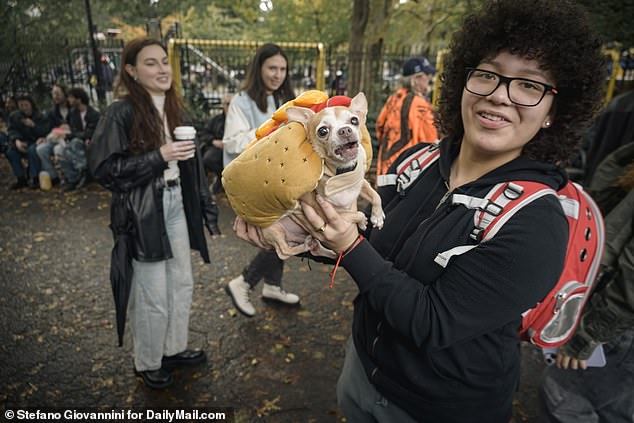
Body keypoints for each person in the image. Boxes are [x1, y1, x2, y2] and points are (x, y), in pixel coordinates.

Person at [235, 1, 605, 421]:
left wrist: (349, 246)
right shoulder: (417, 162)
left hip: (442, 408)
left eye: (529, 85)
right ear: (464, 82)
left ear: (554, 112)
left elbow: (431, 321)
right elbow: (373, 246)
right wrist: (291, 233)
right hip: (361, 375)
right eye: (487, 74)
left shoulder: (537, 222)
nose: (500, 95)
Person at [88, 37, 221, 390]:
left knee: (181, 283)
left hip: (178, 205)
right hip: (144, 211)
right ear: (131, 70)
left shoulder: (176, 108)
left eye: (164, 61)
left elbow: (191, 167)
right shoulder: (121, 112)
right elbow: (104, 170)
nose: (162, 68)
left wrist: (206, 210)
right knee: (152, 292)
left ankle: (173, 348)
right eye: (151, 63)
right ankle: (147, 361)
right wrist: (159, 156)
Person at [538, 150, 634, 423]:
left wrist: (588, 336)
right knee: (613, 408)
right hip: (620, 318)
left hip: (619, 323)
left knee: (564, 400)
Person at [223, 43, 300, 318]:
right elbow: (232, 142)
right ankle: (243, 281)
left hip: (279, 181)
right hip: (254, 184)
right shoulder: (241, 101)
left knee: (284, 230)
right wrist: (271, 133)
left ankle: (272, 286)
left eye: (282, 69)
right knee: (285, 233)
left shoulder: (287, 101)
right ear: (259, 69)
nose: (277, 74)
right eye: (272, 68)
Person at [375, 56, 438, 179]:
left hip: (386, 168)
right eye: (427, 75)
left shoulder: (393, 99)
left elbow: (380, 127)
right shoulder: (420, 105)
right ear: (416, 78)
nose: (430, 79)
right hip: (409, 172)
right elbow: (431, 141)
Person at [58, 87, 101, 191]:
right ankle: (73, 179)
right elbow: (72, 130)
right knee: (62, 152)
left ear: (79, 99)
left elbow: (89, 133)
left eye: (71, 97)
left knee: (75, 143)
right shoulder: (73, 113)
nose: (68, 100)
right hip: (76, 141)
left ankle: (85, 174)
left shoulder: (94, 114)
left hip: (90, 142)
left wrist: (73, 135)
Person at [5, 95, 50, 189]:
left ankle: (35, 177)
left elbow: (44, 131)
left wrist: (34, 126)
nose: (24, 108)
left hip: (35, 141)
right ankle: (21, 179)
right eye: (21, 105)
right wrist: (17, 140)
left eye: (26, 105)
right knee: (11, 152)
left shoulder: (39, 115)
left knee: (32, 150)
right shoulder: (14, 116)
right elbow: (11, 130)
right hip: (21, 141)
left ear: (31, 104)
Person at [199, 94, 232, 194]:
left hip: (236, 149)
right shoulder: (216, 120)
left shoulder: (242, 119)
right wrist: (214, 141)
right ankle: (221, 177)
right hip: (219, 149)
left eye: (233, 104)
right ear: (223, 105)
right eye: (228, 104)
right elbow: (204, 133)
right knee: (208, 158)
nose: (231, 107)